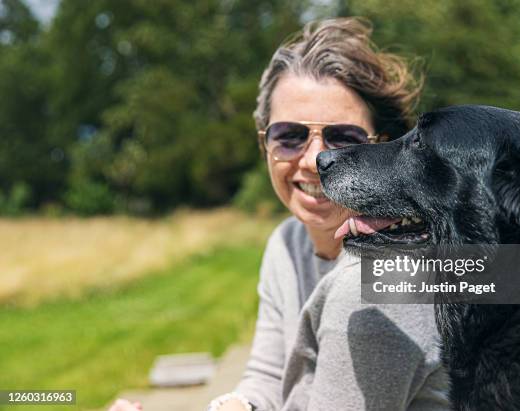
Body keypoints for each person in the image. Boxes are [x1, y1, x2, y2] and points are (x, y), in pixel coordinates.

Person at [109, 17, 434, 411]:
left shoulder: (383, 280)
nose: (314, 160)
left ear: (383, 147)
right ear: (265, 143)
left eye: (344, 138)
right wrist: (238, 405)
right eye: (290, 135)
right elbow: (269, 375)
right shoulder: (288, 243)